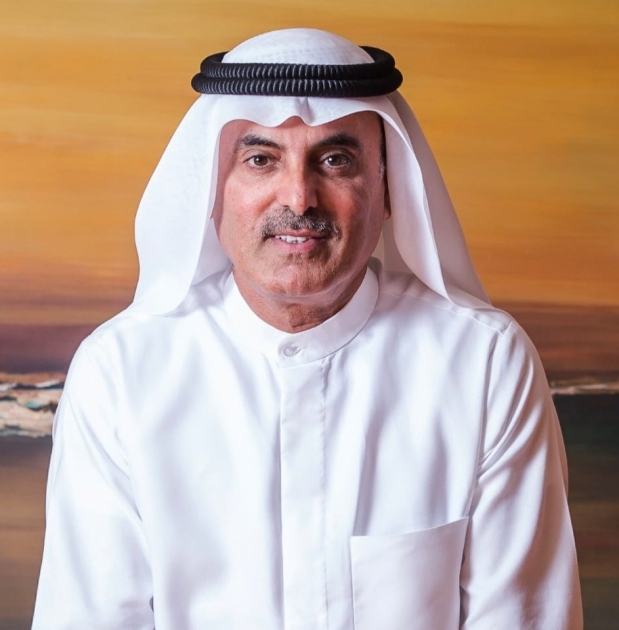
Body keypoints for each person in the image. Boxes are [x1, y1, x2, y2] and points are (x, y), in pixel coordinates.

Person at [33, 28, 582, 629]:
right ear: (212, 190)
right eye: (260, 159)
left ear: (389, 186)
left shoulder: (484, 362)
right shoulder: (120, 372)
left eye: (335, 160)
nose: (299, 198)